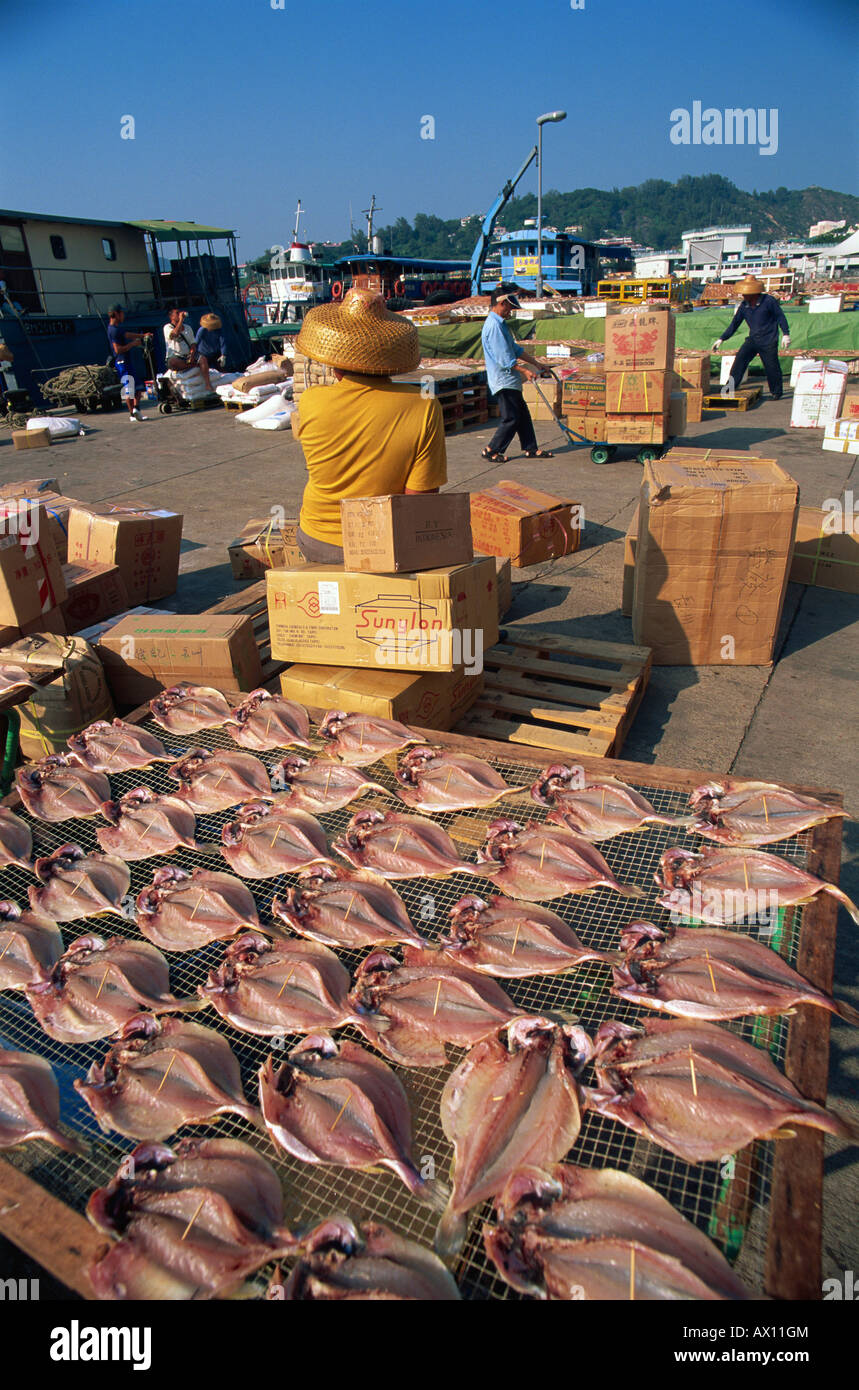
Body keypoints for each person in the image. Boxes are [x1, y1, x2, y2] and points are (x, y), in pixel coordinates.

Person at [293, 287, 446, 563]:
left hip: (316, 538)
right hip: (381, 544)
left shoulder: (311, 400)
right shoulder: (423, 405)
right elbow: (419, 500)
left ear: (335, 365)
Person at [480, 284, 555, 462]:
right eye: (509, 307)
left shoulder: (501, 324)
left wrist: (537, 363)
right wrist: (525, 371)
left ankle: (530, 448)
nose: (510, 311)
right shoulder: (494, 327)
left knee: (522, 414)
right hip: (503, 380)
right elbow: (504, 358)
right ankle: (491, 450)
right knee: (511, 417)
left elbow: (515, 349)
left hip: (509, 379)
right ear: (502, 303)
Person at [711, 275, 791, 400]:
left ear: (753, 293)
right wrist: (722, 338)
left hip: (768, 340)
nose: (743, 296)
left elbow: (780, 316)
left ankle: (776, 392)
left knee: (772, 366)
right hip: (753, 339)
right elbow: (735, 323)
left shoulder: (768, 301)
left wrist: (786, 334)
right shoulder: (744, 306)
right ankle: (730, 387)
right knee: (739, 361)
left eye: (746, 294)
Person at [107, 304, 148, 422]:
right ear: (116, 314)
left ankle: (135, 411)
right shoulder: (113, 330)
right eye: (122, 313)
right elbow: (118, 350)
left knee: (137, 387)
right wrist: (133, 344)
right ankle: (133, 413)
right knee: (130, 388)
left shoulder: (116, 329)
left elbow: (127, 334)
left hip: (125, 362)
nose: (123, 315)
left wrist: (142, 335)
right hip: (122, 362)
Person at [195, 313, 226, 392]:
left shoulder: (219, 330)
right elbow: (196, 342)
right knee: (205, 370)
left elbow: (223, 343)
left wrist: (223, 355)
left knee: (221, 369)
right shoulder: (202, 330)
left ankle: (224, 386)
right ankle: (207, 385)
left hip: (216, 354)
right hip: (204, 354)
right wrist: (194, 354)